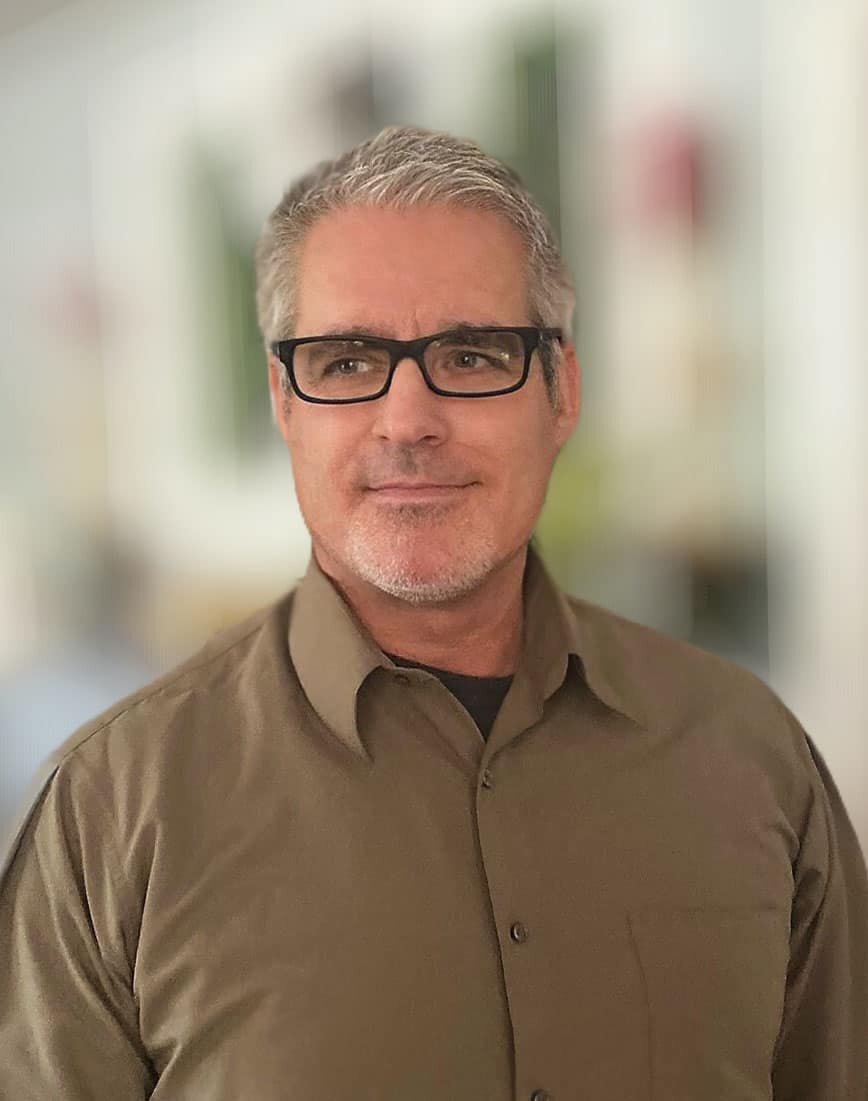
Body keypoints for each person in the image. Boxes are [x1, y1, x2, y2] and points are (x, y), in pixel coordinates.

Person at [1, 126, 866, 1101]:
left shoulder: (751, 759)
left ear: (562, 392)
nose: (408, 419)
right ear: (285, 402)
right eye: (345, 361)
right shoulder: (113, 814)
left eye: (470, 353)